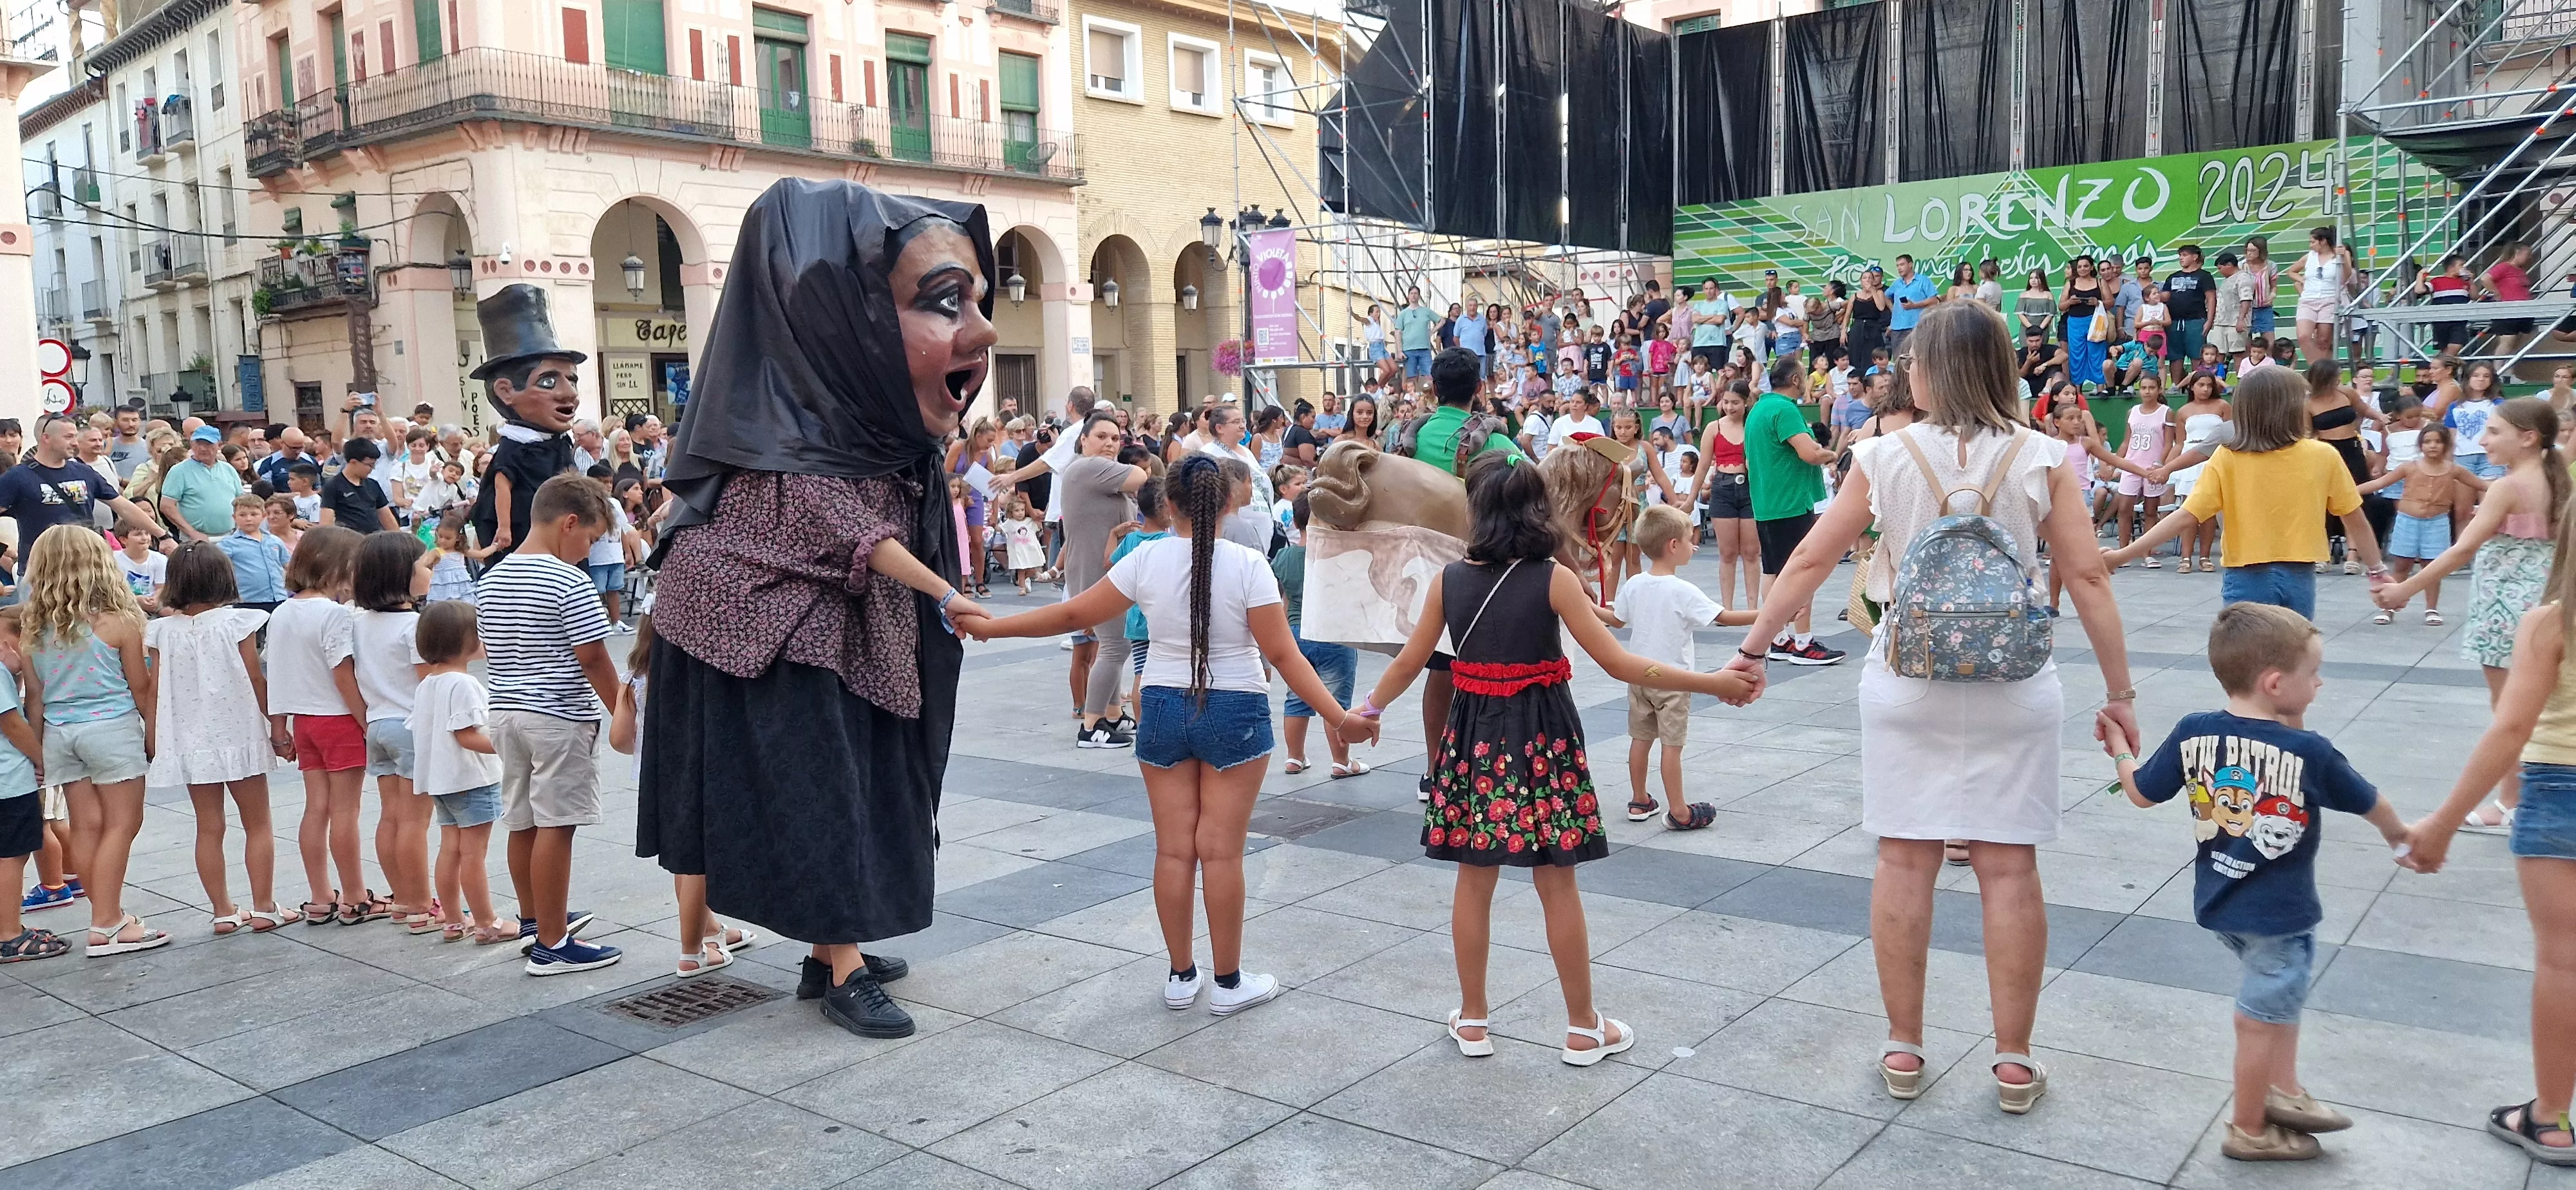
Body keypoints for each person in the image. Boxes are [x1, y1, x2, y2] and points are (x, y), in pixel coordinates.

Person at [1723, 299, 2136, 1112]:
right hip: (2013, 684)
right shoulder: (2043, 454)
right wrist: (2121, 693)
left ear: (1926, 372)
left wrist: (1752, 647)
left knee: (1904, 859)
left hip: (1905, 678)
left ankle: (1903, 1047)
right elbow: (2086, 578)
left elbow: (1811, 557)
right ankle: (2013, 1061)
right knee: (2009, 866)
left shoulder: (1883, 455)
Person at [642, 181, 1007, 1037]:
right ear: (843, 319)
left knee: (867, 782)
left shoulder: (853, 427)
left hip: (840, 637)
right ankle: (840, 968)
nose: (984, 333)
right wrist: (952, 595)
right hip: (776, 644)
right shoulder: (792, 441)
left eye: (978, 301)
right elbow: (854, 534)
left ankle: (826, 946)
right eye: (943, 302)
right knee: (826, 795)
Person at [1358, 450, 1752, 1065]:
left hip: (1474, 737)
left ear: (1476, 512)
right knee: (1557, 880)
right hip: (1544, 737)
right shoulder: (1554, 579)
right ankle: (1581, 1027)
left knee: (1474, 875)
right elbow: (1620, 663)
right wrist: (1716, 683)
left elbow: (1411, 662)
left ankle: (1476, 1021)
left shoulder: (1450, 580)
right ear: (1537, 508)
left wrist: (1366, 714)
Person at [958, 455, 1365, 1018]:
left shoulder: (1145, 559)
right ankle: (1228, 983)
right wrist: (1340, 719)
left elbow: (1071, 613)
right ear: (1228, 502)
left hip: (1164, 706)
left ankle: (1180, 976)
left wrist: (990, 624)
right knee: (1221, 854)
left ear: (1167, 504)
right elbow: (1283, 656)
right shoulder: (1250, 564)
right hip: (1236, 708)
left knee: (1174, 850)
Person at [2099, 604, 2408, 1160]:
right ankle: (2249, 1127)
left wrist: (2121, 749)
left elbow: (2141, 792)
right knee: (2261, 1016)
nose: (2319, 683)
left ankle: (2284, 1090)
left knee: (2278, 996)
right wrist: (2403, 840)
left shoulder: (2195, 729)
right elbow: (2371, 802)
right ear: (2274, 682)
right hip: (2278, 912)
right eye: (2312, 674)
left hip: (2220, 901)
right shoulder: (2309, 752)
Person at [2400, 494, 2576, 1166]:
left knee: (2562, 961)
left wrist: (2442, 824)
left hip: (2556, 788)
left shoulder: (2547, 624)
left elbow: (2509, 729)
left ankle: (2552, 1117)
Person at [2376, 399, 2565, 834]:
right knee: (2542, 710)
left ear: (2528, 437)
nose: (2483, 440)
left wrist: (2404, 588)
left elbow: (2463, 549)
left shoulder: (2508, 487)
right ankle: (2530, 796)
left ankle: (2510, 802)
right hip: (2547, 605)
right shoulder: (2559, 482)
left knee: (2508, 714)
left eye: (2494, 432)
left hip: (2504, 613)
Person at [475, 476, 623, 974]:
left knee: (523, 821)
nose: (587, 553)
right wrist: (626, 712)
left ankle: (535, 920)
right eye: (590, 539)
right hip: (558, 715)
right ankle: (553, 946)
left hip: (505, 713)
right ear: (569, 523)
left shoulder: (492, 578)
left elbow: (493, 650)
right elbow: (595, 659)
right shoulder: (569, 581)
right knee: (557, 826)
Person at [2108, 367, 2386, 618]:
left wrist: (2125, 554)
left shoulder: (2228, 457)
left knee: (2249, 661)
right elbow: (2354, 518)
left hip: (2246, 576)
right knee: (2293, 659)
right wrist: (2378, 572)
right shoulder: (2321, 454)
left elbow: (2186, 515)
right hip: (2298, 576)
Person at [22, 526, 163, 956]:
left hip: (61, 736)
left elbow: (36, 698)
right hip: (112, 730)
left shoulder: (33, 625)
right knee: (124, 823)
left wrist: (36, 749)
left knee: (84, 826)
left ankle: (104, 918)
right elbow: (141, 689)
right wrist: (154, 734)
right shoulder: (119, 621)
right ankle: (108, 921)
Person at [145, 542, 294, 933]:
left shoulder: (162, 632)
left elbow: (154, 688)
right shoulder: (237, 623)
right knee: (258, 823)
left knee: (208, 826)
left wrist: (154, 737)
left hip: (192, 739)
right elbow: (256, 678)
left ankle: (223, 911)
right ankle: (265, 906)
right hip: (239, 731)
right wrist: (278, 727)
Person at [1607, 504, 1753, 829]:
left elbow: (1616, 620)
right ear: (1673, 546)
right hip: (1674, 681)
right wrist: (1771, 614)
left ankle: (1639, 799)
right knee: (1672, 748)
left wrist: (1584, 607)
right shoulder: (1683, 590)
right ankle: (1679, 811)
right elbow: (1724, 619)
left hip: (1639, 677)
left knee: (1640, 740)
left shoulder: (1634, 584)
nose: (1695, 545)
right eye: (1690, 539)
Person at [408, 601, 511, 944]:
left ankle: (454, 920)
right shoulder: (463, 684)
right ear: (464, 641)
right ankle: (487, 923)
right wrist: (508, 744)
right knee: (474, 854)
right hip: (471, 779)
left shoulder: (428, 684)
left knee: (450, 848)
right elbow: (467, 736)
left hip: (442, 781)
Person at [350, 531, 435, 932]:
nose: (430, 573)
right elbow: (427, 686)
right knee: (415, 822)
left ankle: (402, 898)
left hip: (378, 725)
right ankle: (421, 903)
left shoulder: (360, 622)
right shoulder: (415, 626)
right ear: (401, 574)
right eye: (424, 566)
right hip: (411, 725)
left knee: (391, 817)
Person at [1745, 358, 1844, 665]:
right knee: (1803, 571)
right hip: (1790, 502)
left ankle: (1778, 638)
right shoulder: (1785, 409)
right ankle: (1802, 641)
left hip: (1766, 502)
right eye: (1805, 376)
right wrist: (1837, 453)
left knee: (1773, 571)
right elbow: (1810, 453)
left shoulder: (1759, 409)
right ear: (1797, 381)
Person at [1269, 493, 1363, 780]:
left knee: (1297, 698)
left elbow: (1282, 599)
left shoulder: (1283, 557)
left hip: (1296, 633)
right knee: (1335, 703)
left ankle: (1294, 758)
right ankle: (1341, 761)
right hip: (1333, 633)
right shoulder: (1336, 558)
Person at [0, 416, 153, 581]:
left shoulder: (83, 472)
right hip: (41, 574)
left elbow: (124, 507)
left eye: (75, 436)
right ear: (46, 438)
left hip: (84, 571)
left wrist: (162, 536)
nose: (75, 443)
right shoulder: (18, 476)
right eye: (69, 437)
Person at [2360, 423, 2481, 625]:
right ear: (2420, 445)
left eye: (2438, 442)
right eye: (2427, 442)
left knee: (2431, 567)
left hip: (2437, 523)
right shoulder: (2410, 467)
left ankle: (2431, 609)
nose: (2432, 446)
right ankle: (2388, 607)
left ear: (2447, 445)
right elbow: (2380, 483)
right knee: (2401, 566)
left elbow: (2482, 484)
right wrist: (2350, 491)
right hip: (2407, 521)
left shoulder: (2455, 470)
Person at [0, 608, 58, 962]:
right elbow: (12, 723)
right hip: (9, 780)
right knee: (13, 855)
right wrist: (41, 758)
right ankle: (9, 932)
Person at [2286, 227, 2355, 364]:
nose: (2311, 245)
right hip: (2308, 299)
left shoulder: (2341, 253)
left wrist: (2343, 259)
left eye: (2313, 242)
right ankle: (2315, 368)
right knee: (2303, 336)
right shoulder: (2310, 256)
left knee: (2324, 340)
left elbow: (2345, 278)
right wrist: (2302, 280)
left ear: (2323, 241)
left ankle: (2324, 371)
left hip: (2330, 299)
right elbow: (2291, 271)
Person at [216, 496, 292, 614]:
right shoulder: (228, 544)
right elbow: (216, 567)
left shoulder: (274, 541)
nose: (248, 519)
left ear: (263, 516)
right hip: (247, 601)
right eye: (242, 515)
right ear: (234, 518)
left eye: (254, 514)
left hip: (278, 598)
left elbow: (288, 564)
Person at [320, 439, 397, 532]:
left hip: (372, 539)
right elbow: (326, 523)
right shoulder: (333, 485)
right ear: (354, 462)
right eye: (369, 465)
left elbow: (388, 519)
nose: (372, 469)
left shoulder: (373, 485)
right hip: (348, 539)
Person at [2163, 245, 2215, 366]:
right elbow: (2165, 296)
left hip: (2196, 320)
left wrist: (2210, 320)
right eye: (2180, 255)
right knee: (2175, 357)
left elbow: (2211, 298)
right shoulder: (2173, 276)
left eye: (2185, 255)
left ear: (2195, 257)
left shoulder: (2204, 276)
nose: (2181, 258)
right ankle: (2176, 385)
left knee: (2197, 355)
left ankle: (2198, 382)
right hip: (2174, 321)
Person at [2062, 257, 2108, 390]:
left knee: (2097, 353)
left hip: (2095, 321)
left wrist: (2098, 302)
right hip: (2075, 323)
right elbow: (2061, 305)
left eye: (2086, 266)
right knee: (2076, 355)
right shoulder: (2070, 284)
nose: (2082, 269)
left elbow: (2110, 302)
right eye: (2080, 267)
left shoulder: (2100, 282)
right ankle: (2077, 390)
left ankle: (2101, 387)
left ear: (2092, 267)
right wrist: (2070, 302)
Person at [1887, 254, 1938, 353]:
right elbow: (1886, 296)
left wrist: (1914, 306)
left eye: (1902, 265)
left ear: (1910, 264)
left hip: (1916, 326)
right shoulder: (1897, 284)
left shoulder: (1923, 280)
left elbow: (1934, 300)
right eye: (1897, 266)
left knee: (1916, 356)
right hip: (1897, 327)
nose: (1899, 268)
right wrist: (1892, 307)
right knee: (1899, 359)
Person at [999, 493, 1045, 594]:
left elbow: (1039, 528)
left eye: (1022, 510)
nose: (1020, 513)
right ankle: (1022, 588)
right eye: (1017, 511)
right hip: (1018, 550)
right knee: (1021, 568)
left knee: (1032, 567)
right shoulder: (1010, 523)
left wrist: (1039, 520)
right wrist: (994, 525)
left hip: (1030, 548)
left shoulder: (1030, 521)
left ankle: (1023, 580)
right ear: (1011, 512)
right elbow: (1002, 529)